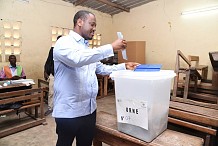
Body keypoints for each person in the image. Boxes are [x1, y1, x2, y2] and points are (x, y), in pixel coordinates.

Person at [52, 10, 139, 146]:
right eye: (92, 24)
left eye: (95, 25)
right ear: (79, 22)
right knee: (64, 143)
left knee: (86, 143)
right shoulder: (63, 43)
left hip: (89, 110)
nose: (94, 28)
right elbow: (77, 59)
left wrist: (124, 66)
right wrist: (110, 47)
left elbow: (101, 68)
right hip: (68, 112)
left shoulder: (87, 49)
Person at [44, 35, 62, 116]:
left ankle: (60, 108)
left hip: (63, 76)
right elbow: (48, 61)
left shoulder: (67, 51)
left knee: (62, 92)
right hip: (53, 74)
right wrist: (45, 71)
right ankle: (50, 108)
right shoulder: (53, 50)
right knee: (51, 92)